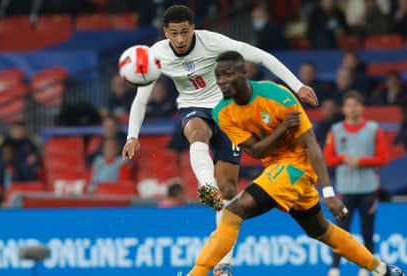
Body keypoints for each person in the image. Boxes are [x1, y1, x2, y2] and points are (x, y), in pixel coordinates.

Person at [121, 5, 318, 275]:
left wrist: (298, 85)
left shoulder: (212, 42)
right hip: (192, 106)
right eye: (174, 34)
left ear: (193, 29)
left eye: (185, 33)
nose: (180, 40)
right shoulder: (156, 55)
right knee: (196, 133)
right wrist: (132, 135)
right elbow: (141, 98)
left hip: (227, 111)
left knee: (228, 191)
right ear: (166, 32)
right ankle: (205, 185)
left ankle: (224, 265)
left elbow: (261, 57)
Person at [187, 51, 404, 276]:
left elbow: (310, 143)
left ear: (244, 72)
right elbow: (255, 150)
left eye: (228, 74)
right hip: (274, 167)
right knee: (320, 230)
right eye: (218, 76)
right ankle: (383, 270)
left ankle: (197, 273)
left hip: (297, 165)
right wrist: (282, 129)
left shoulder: (277, 95)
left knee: (233, 212)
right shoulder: (222, 112)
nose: (222, 81)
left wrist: (328, 192)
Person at [323, 91, 389, 276]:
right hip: (345, 189)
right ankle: (335, 267)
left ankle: (367, 268)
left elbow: (383, 158)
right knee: (341, 231)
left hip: (368, 188)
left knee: (368, 229)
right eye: (349, 105)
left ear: (362, 107)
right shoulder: (335, 130)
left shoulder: (374, 129)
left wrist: (360, 161)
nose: (352, 109)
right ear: (343, 109)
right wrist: (344, 158)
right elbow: (328, 158)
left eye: (356, 105)